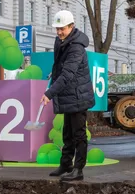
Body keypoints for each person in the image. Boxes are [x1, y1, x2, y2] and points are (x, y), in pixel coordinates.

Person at [41, 10, 95, 182]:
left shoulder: (76, 48)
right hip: (69, 93)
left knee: (79, 134)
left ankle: (78, 169)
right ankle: (66, 164)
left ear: (72, 27)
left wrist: (49, 93)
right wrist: (53, 73)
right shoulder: (61, 41)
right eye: (57, 29)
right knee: (67, 132)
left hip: (78, 95)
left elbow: (68, 74)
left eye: (62, 29)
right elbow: (59, 65)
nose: (58, 32)